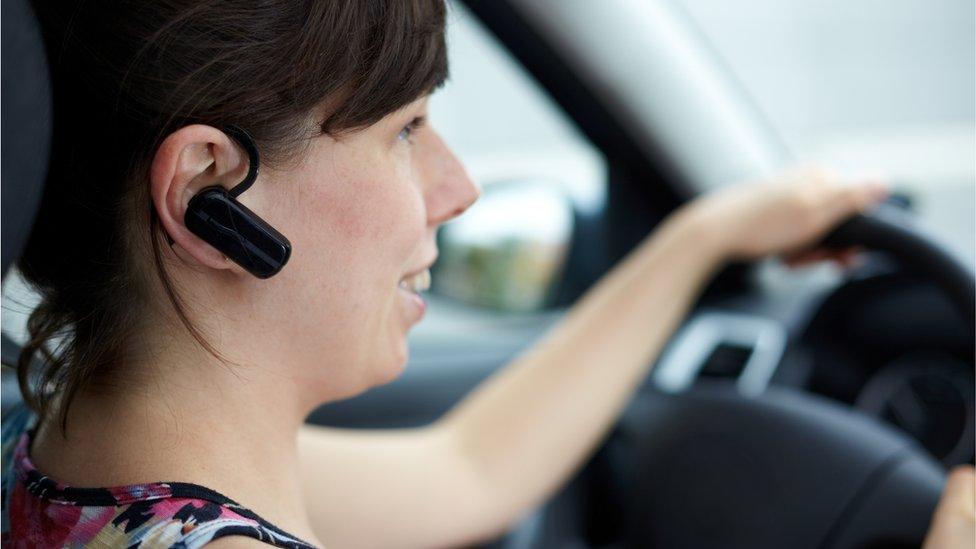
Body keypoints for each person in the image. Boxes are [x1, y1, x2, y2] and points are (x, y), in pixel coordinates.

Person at [1, 1, 971, 547]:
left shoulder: (61, 453)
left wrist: (703, 237)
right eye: (405, 131)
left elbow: (463, 472)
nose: (457, 187)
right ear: (212, 190)